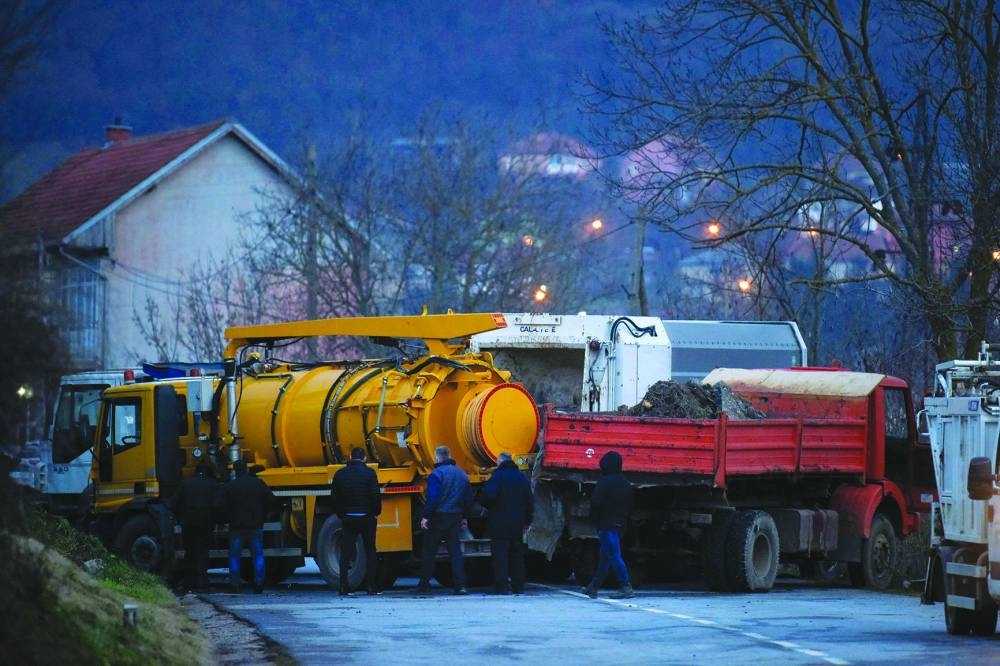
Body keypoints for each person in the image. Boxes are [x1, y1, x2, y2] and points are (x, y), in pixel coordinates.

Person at [417, 445, 472, 595]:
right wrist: (464, 516)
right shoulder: (462, 474)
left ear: (437, 457)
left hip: (438, 517)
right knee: (455, 553)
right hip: (455, 517)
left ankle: (423, 585)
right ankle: (460, 586)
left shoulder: (436, 474)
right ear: (449, 455)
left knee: (429, 551)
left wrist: (426, 516)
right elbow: (468, 498)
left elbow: (433, 498)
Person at [330, 447, 382, 596]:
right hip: (366, 517)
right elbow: (375, 496)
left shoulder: (340, 474)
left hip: (348, 518)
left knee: (346, 551)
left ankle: (343, 586)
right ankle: (372, 587)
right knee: (370, 550)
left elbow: (334, 498)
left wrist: (342, 514)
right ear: (364, 458)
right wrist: (375, 512)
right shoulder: (369, 474)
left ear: (350, 457)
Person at [584, 450, 635, 599]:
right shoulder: (626, 483)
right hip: (620, 524)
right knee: (605, 557)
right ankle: (593, 586)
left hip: (606, 524)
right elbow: (630, 504)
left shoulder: (604, 482)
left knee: (613, 555)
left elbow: (596, 503)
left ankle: (626, 586)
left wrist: (594, 519)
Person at [480, 452, 533, 595]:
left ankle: (501, 586)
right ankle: (518, 586)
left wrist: (484, 504)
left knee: (500, 556)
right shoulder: (521, 478)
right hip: (518, 523)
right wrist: (528, 520)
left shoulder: (498, 477)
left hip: (499, 523)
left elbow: (488, 495)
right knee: (517, 555)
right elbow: (529, 501)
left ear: (500, 462)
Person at [222, 459, 275, 594]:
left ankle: (234, 584)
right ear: (246, 469)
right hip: (255, 525)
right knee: (258, 555)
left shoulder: (230, 486)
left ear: (235, 471)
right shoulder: (258, 484)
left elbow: (222, 505)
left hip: (237, 527)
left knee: (234, 556)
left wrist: (226, 518)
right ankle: (258, 583)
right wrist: (264, 515)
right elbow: (270, 500)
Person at [169, 461, 219, 592]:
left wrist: (181, 516)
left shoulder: (186, 484)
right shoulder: (213, 485)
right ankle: (202, 584)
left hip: (189, 523)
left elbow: (173, 504)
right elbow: (219, 504)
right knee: (202, 553)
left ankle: (189, 583)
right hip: (206, 523)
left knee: (190, 554)